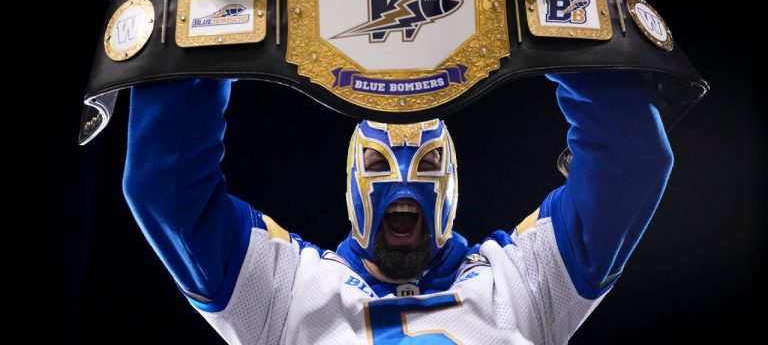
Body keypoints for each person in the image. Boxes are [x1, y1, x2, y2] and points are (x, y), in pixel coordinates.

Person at [122, 69, 673, 344]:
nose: (404, 181)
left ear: (451, 185)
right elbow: (167, 192)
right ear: (352, 186)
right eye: (379, 165)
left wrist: (561, 25)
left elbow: (632, 162)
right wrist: (211, 38)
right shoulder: (284, 288)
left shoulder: (524, 279)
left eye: (427, 164)